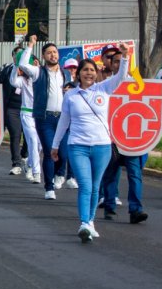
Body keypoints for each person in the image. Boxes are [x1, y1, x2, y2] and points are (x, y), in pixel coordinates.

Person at [52, 43, 130, 243]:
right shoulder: (71, 95)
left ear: (96, 73)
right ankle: (84, 223)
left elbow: (121, 76)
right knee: (85, 185)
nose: (89, 73)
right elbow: (63, 121)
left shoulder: (104, 89)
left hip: (102, 146)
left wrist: (126, 56)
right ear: (78, 74)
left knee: (95, 186)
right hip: (77, 145)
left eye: (92, 70)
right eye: (85, 70)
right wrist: (55, 145)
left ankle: (91, 221)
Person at [100, 48, 149, 225]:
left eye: (124, 61)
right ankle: (110, 205)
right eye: (117, 62)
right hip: (111, 139)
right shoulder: (104, 86)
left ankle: (136, 210)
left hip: (131, 139)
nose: (121, 65)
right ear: (111, 65)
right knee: (111, 173)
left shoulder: (138, 85)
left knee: (135, 174)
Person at [18, 35, 67, 200]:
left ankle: (60, 174)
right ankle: (49, 187)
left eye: (55, 52)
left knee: (64, 152)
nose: (52, 55)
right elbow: (23, 65)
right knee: (48, 151)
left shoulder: (65, 74)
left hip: (63, 118)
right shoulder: (38, 72)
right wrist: (31, 45)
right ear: (44, 56)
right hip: (44, 119)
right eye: (49, 53)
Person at [10, 52, 42, 184]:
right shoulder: (23, 80)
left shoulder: (41, 77)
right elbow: (13, 81)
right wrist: (15, 66)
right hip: (26, 113)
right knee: (33, 141)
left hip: (40, 115)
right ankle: (37, 172)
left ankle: (28, 164)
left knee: (39, 146)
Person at [0, 45, 26, 176]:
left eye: (22, 55)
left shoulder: (31, 70)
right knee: (15, 134)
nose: (19, 57)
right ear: (13, 57)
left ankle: (24, 155)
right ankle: (16, 163)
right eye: (17, 55)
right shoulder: (8, 70)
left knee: (29, 136)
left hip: (27, 108)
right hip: (11, 108)